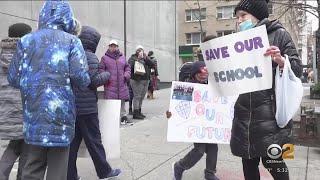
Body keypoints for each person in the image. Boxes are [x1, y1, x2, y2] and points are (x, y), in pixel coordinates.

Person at [7, 1, 91, 180]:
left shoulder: (26, 41)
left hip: (33, 115)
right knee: (58, 169)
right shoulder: (72, 42)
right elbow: (82, 79)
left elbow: (13, 78)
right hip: (61, 117)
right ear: (67, 17)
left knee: (32, 166)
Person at [231, 0, 302, 180]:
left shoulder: (279, 34)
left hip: (270, 113)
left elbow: (297, 70)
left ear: (257, 16)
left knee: (274, 162)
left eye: (243, 16)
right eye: (237, 17)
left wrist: (280, 60)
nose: (239, 21)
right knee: (248, 162)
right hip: (244, 114)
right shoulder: (236, 40)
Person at [68, 26, 121, 180]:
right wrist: (107, 74)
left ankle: (70, 175)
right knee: (94, 141)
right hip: (87, 108)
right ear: (93, 42)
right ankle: (105, 172)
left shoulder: (72, 53)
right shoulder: (90, 56)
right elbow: (93, 81)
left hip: (73, 106)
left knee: (73, 144)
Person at [170, 36, 219, 180]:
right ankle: (179, 166)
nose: (203, 77)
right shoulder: (188, 87)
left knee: (213, 147)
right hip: (196, 121)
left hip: (210, 120)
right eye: (200, 75)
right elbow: (178, 105)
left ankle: (210, 173)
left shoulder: (210, 84)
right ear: (194, 74)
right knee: (199, 150)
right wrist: (172, 114)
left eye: (205, 76)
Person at [0, 23, 32, 180]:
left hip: (7, 110)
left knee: (14, 145)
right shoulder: (27, 55)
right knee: (26, 148)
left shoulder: (1, 53)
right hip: (25, 109)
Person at [100, 39, 132, 125]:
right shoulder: (104, 58)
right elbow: (101, 69)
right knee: (111, 102)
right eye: (111, 46)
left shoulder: (122, 57)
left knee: (121, 101)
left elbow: (127, 67)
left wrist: (126, 75)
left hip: (121, 83)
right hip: (110, 85)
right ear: (109, 47)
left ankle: (123, 117)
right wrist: (106, 77)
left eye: (114, 46)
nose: (113, 47)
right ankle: (112, 120)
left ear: (117, 47)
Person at [128, 45, 154, 119]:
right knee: (137, 96)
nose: (140, 51)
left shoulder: (145, 57)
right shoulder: (132, 58)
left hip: (146, 80)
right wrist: (138, 59)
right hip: (136, 80)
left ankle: (139, 111)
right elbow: (130, 66)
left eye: (141, 50)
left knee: (142, 97)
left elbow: (152, 64)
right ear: (136, 51)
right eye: (138, 50)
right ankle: (135, 113)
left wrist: (146, 58)